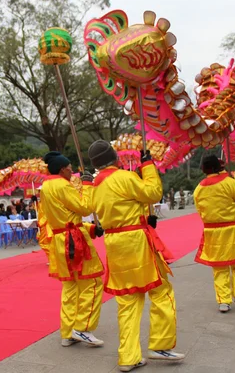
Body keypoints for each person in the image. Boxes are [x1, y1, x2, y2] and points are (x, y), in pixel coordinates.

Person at [88, 141, 184, 371]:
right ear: (115, 158)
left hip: (115, 244)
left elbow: (119, 206)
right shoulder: (124, 177)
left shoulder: (95, 186)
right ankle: (160, 343)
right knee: (161, 290)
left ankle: (128, 356)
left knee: (128, 300)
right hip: (135, 242)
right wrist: (148, 165)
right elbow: (153, 193)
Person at [40, 151, 105, 349]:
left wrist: (91, 228)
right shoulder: (62, 185)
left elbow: (65, 218)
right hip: (74, 241)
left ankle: (67, 332)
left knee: (70, 288)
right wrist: (87, 186)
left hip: (60, 240)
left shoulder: (45, 187)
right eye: (69, 167)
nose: (71, 170)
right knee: (92, 282)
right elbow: (85, 208)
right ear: (61, 169)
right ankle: (83, 328)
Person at [194, 155, 235, 313]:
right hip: (230, 230)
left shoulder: (198, 188)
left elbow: (200, 210)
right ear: (218, 167)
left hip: (211, 232)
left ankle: (224, 301)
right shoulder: (229, 182)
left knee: (219, 267)